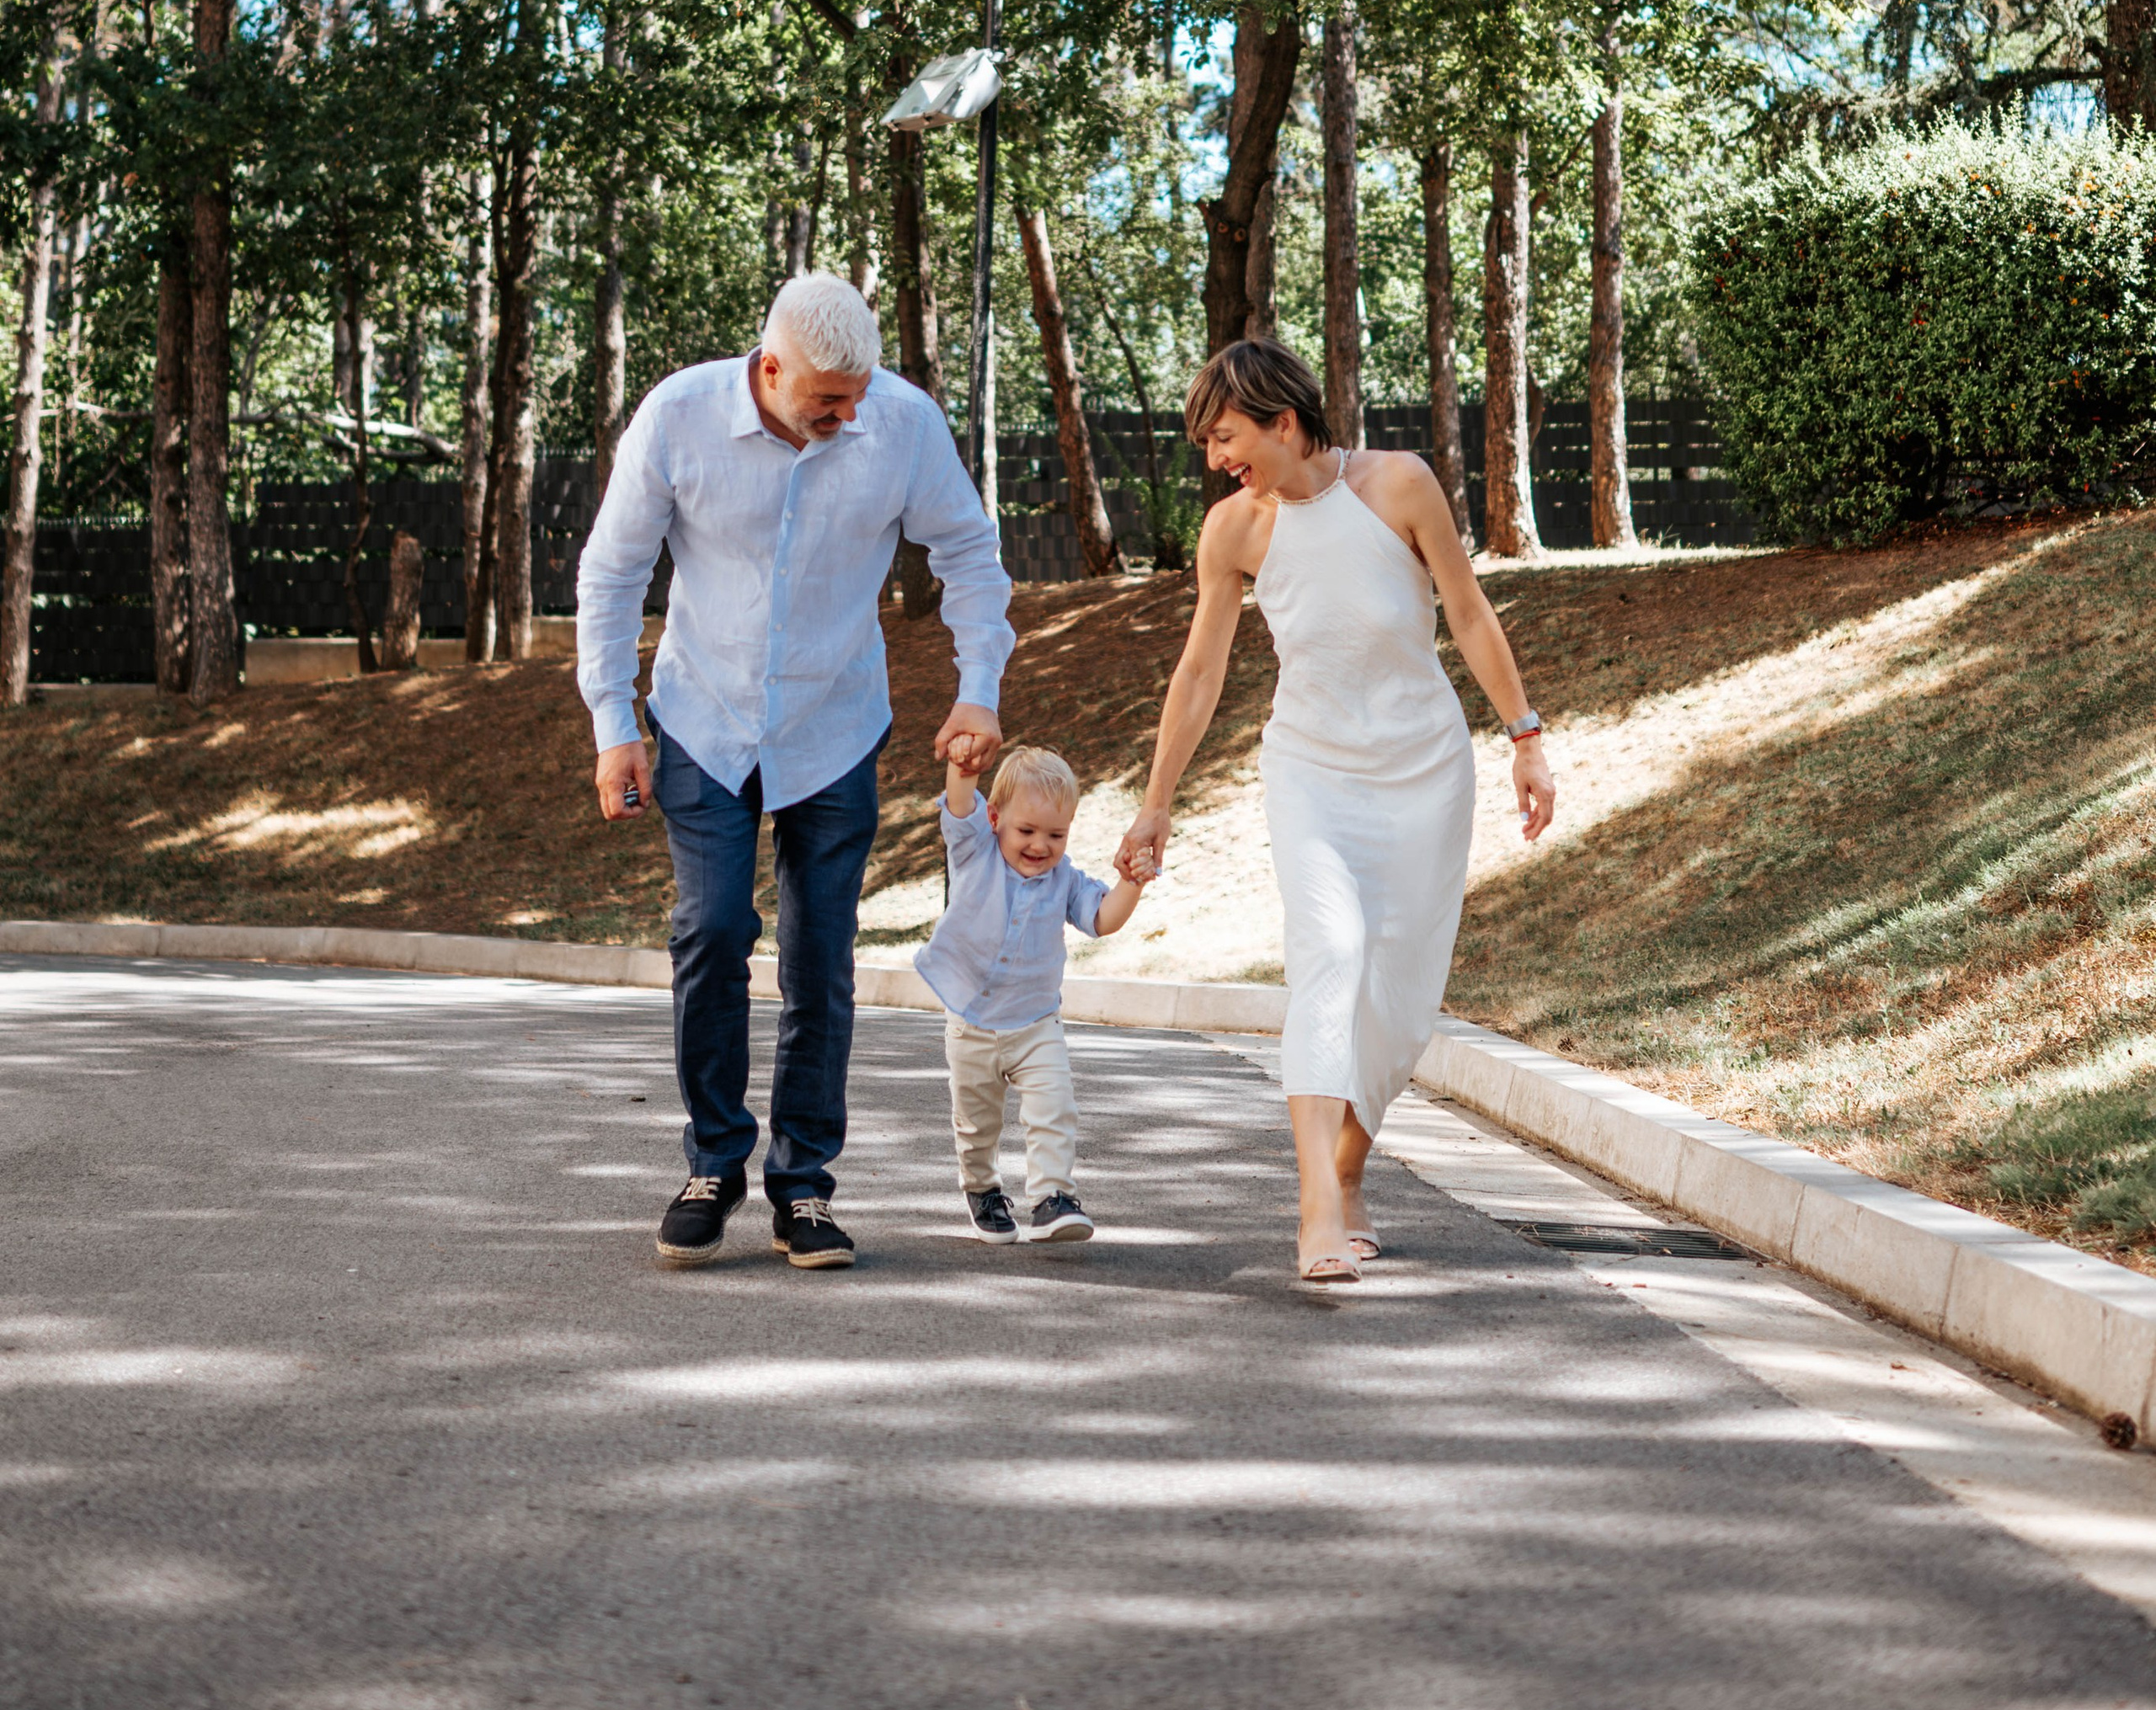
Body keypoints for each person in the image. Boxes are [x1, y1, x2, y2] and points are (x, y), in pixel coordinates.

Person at [578, 272, 1013, 1272]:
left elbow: (969, 554)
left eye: (857, 397)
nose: (847, 415)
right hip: (703, 718)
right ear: (770, 368)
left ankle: (805, 1184)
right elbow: (610, 572)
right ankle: (713, 1162)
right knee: (712, 929)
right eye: (828, 400)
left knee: (822, 958)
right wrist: (614, 724)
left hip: (833, 722)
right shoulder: (678, 416)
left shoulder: (899, 422)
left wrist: (978, 687)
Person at [1115, 338, 1555, 1287]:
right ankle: (1317, 1206)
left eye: (1225, 437)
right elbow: (1200, 670)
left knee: (1398, 1005)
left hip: (1423, 769)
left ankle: (1348, 1170)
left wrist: (1524, 736)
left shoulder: (1396, 486)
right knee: (1329, 956)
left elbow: (1468, 612)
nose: (1214, 460)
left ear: (1283, 420)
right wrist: (1157, 803)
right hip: (1310, 767)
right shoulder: (1235, 530)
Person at [917, 740, 1148, 1245]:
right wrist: (964, 767)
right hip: (972, 1021)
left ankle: (1052, 1198)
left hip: (1037, 1024)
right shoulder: (974, 850)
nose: (1040, 846)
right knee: (977, 1126)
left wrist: (1130, 884)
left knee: (1054, 1107)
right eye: (1026, 830)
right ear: (995, 818)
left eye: (1056, 834)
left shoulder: (1064, 879)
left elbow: (1102, 918)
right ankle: (982, 1190)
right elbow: (960, 804)